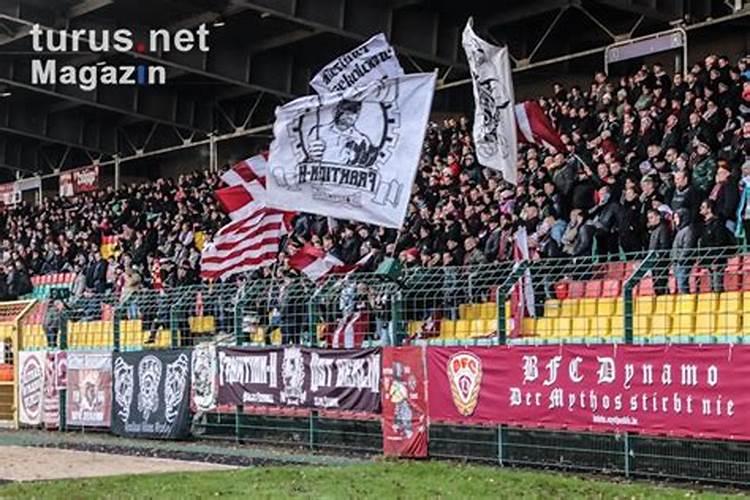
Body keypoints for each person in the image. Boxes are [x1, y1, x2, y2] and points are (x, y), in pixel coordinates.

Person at [698, 199, 735, 292]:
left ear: (709, 209)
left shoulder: (717, 224)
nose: (700, 209)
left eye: (703, 207)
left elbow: (720, 242)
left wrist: (715, 260)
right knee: (712, 287)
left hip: (716, 261)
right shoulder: (706, 225)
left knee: (717, 286)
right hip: (709, 260)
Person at [646, 209, 673, 295]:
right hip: (655, 263)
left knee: (661, 285)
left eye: (651, 217)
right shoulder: (655, 230)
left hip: (661, 263)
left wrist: (657, 257)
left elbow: (664, 246)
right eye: (649, 218)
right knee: (657, 287)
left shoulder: (663, 228)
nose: (650, 220)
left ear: (658, 217)